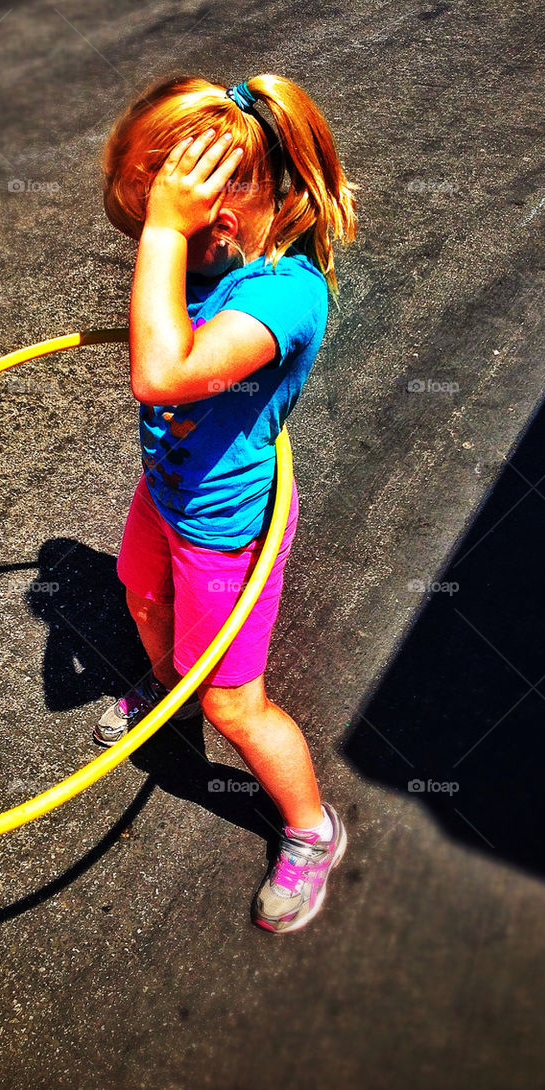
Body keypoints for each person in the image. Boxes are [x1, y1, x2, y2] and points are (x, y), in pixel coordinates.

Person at [93, 73, 357, 933]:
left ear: (227, 218)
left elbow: (160, 373)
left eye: (158, 226)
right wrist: (171, 234)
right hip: (164, 493)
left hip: (224, 532)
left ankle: (312, 831)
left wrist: (168, 233)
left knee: (233, 705)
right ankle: (168, 683)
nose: (148, 241)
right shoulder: (212, 254)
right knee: (137, 594)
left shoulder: (285, 295)